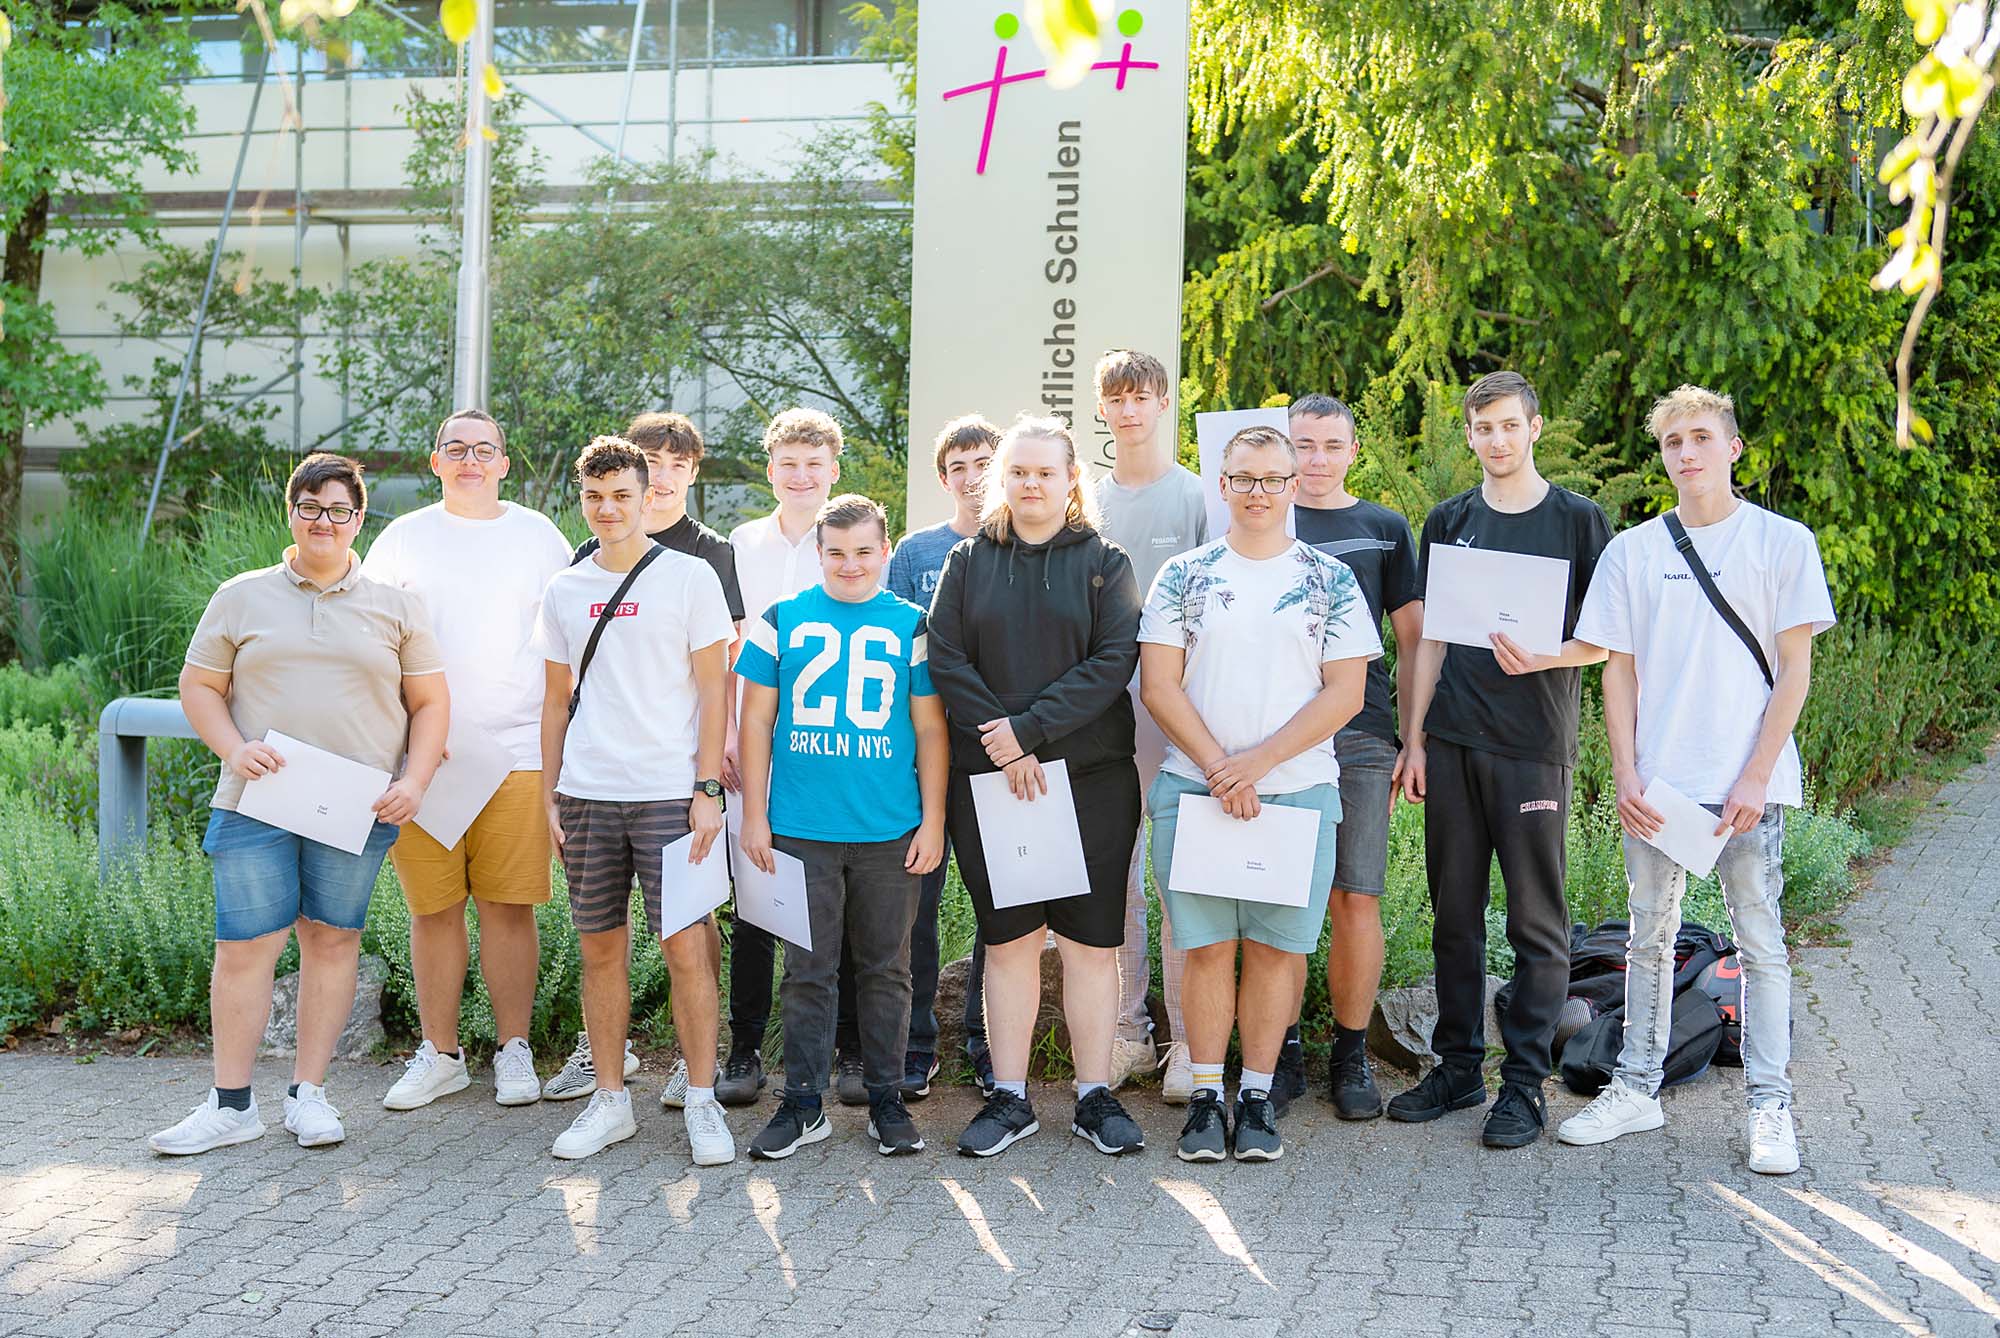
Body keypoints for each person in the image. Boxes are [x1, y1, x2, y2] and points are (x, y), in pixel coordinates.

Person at [1558, 385, 1834, 1175]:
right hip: (1662, 785)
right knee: (1647, 940)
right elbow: (1617, 670)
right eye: (1673, 441)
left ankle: (1770, 1108)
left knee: (1760, 944)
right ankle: (1635, 1088)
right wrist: (1625, 772)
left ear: (1732, 447)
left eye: (1702, 437)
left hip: (1746, 784)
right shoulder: (1634, 551)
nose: (1687, 452)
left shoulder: (1782, 542)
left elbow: (1795, 670)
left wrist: (1755, 775)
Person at [151, 453, 448, 1155]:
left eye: (339, 510)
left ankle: (308, 1095)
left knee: (332, 939)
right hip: (256, 799)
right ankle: (231, 1106)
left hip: (354, 807)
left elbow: (431, 704)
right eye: (311, 507)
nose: (324, 521)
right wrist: (232, 749)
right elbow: (199, 687)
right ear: (292, 512)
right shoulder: (241, 596)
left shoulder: (397, 605)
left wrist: (414, 781)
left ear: (358, 519)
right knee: (245, 945)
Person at [1141, 425, 1380, 1163]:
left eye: (1273, 479)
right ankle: (1205, 1098)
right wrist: (1221, 768)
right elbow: (1159, 685)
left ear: (1293, 486)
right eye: (1243, 478)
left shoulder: (1329, 580)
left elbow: (1346, 693)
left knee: (1276, 951)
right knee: (1207, 948)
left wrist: (1257, 765)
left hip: (1296, 792)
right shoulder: (1183, 575)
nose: (1258, 492)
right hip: (1196, 789)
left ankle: (1256, 1097)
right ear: (1222, 485)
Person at [1387, 371, 1613, 1150]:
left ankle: (1523, 1087)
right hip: (1452, 743)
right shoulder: (1450, 520)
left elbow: (1609, 638)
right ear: (1470, 435)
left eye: (1510, 425)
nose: (1497, 440)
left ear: (1534, 427)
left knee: (1535, 923)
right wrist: (1414, 739)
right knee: (1453, 916)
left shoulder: (1578, 520)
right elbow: (1432, 640)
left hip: (1532, 747)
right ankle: (1456, 1070)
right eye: (1484, 428)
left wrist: (1549, 654)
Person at [928, 414, 1148, 1158]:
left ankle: (1093, 1096)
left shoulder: (1106, 562)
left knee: (1090, 943)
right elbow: (946, 656)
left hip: (1091, 781)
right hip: (992, 781)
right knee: (1011, 941)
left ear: (1070, 479)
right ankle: (1010, 1097)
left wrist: (1030, 731)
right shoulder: (968, 561)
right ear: (1002, 478)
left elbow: (1113, 661)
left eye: (1045, 472)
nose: (1030, 484)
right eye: (1018, 471)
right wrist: (1005, 739)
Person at [362, 409, 572, 1113]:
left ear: (505, 464)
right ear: (436, 462)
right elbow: (373, 639)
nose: (471, 460)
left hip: (517, 753)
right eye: (456, 448)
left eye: (485, 449)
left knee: (509, 907)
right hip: (428, 756)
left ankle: (514, 1049)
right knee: (434, 909)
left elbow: (568, 638)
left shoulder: (538, 536)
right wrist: (407, 731)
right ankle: (441, 1053)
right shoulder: (402, 538)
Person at [534, 437, 735, 1164]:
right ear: (582, 501)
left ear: (648, 496)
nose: (608, 508)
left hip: (668, 794)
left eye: (622, 494)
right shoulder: (564, 589)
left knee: (686, 947)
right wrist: (550, 795)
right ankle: (611, 1099)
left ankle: (703, 1099)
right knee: (599, 948)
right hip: (588, 794)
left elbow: (714, 689)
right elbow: (555, 700)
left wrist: (707, 788)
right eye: (595, 496)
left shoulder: (689, 577)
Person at [738, 494, 948, 1158]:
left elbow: (930, 729)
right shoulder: (782, 619)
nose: (850, 564)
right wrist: (754, 816)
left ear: (885, 551)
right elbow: (755, 720)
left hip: (888, 828)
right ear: (819, 553)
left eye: (863, 552)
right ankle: (803, 1102)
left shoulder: (912, 624)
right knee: (807, 970)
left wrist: (934, 820)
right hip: (802, 825)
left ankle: (887, 1099)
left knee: (887, 968)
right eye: (836, 552)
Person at [1285, 396, 1424, 1119]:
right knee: (1276, 894)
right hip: (1275, 736)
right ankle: (1277, 1055)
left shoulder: (1384, 529)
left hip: (1364, 734)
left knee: (1356, 895)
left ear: (1352, 451)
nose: (1316, 459)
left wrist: (1415, 736)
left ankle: (1350, 1056)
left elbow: (1414, 641)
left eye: (1330, 445)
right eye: (1302, 445)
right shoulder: (1262, 517)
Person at [1089, 348, 1209, 1101]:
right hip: (1104, 716)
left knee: (1181, 877)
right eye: (1116, 399)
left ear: (1164, 402)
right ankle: (1128, 1034)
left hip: (1180, 710)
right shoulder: (1087, 499)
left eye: (1141, 397)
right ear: (1102, 408)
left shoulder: (1196, 497)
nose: (1129, 410)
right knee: (1119, 876)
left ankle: (1189, 1043)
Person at [721, 407, 844, 1106]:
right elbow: (727, 648)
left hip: (833, 750)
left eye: (814, 465)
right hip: (755, 745)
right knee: (755, 899)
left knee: (837, 900)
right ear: (771, 471)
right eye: (789, 465)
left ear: (833, 471)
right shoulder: (742, 545)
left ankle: (845, 1052)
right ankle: (744, 1050)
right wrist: (729, 735)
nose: (801, 476)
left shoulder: (851, 539)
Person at [885, 415, 999, 1098]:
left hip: (994, 750)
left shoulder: (1016, 545)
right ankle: (915, 1043)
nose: (973, 477)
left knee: (998, 906)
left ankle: (987, 1042)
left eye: (984, 463)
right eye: (959, 466)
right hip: (925, 751)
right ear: (943, 478)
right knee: (916, 905)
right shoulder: (915, 552)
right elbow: (899, 645)